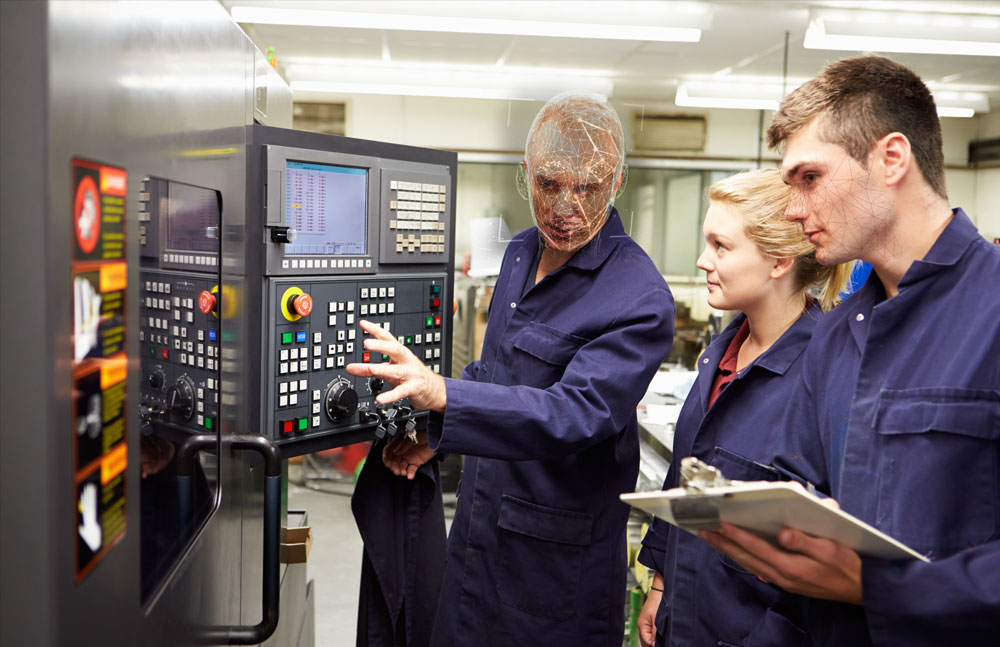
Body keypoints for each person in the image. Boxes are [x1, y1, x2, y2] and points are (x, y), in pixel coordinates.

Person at [347, 92, 674, 646]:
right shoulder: (522, 254)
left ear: (616, 183)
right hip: (477, 538)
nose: (565, 207)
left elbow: (575, 413)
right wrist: (439, 433)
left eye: (588, 188)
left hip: (554, 571)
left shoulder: (639, 297)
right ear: (526, 174)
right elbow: (496, 372)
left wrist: (443, 394)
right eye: (549, 184)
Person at [698, 55, 1000, 646]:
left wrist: (882, 586)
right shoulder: (836, 336)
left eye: (809, 178)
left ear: (891, 158)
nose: (791, 208)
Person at [635, 169, 851, 647]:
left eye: (720, 246)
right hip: (685, 617)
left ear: (778, 261)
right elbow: (685, 479)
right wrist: (660, 584)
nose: (701, 260)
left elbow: (823, 558)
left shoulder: (825, 376)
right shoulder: (722, 352)